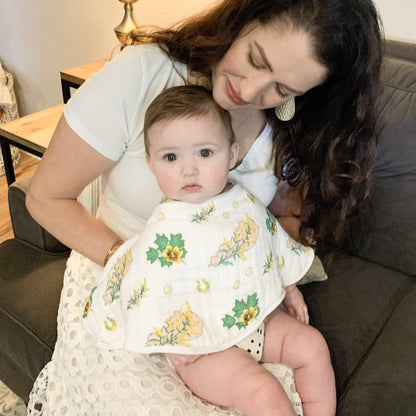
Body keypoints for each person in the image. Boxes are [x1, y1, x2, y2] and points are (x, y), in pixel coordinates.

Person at [25, 0, 382, 414]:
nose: (249, 93)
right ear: (242, 18)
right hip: (124, 278)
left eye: (282, 89)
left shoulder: (291, 125)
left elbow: (283, 219)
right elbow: (45, 197)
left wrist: (265, 275)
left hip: (233, 286)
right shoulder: (143, 73)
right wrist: (138, 270)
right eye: (254, 59)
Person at [82, 85, 335, 416]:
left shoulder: (244, 203)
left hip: (254, 319)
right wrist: (172, 340)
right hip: (201, 350)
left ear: (230, 154)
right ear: (150, 164)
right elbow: (148, 291)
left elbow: (269, 246)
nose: (189, 169)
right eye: (171, 157)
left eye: (204, 153)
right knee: (261, 390)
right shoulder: (161, 231)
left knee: (313, 346)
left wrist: (288, 289)